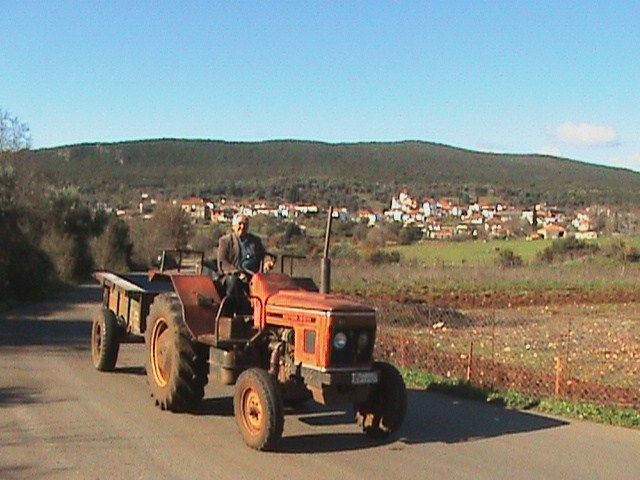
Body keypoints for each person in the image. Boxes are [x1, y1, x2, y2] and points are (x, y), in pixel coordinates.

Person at [217, 213, 273, 300]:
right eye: (240, 224)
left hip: (253, 276)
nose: (242, 227)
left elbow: (264, 254)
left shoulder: (255, 241)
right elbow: (223, 263)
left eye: (245, 224)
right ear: (233, 226)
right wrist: (238, 273)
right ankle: (231, 309)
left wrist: (267, 262)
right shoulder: (225, 241)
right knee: (233, 281)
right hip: (233, 276)